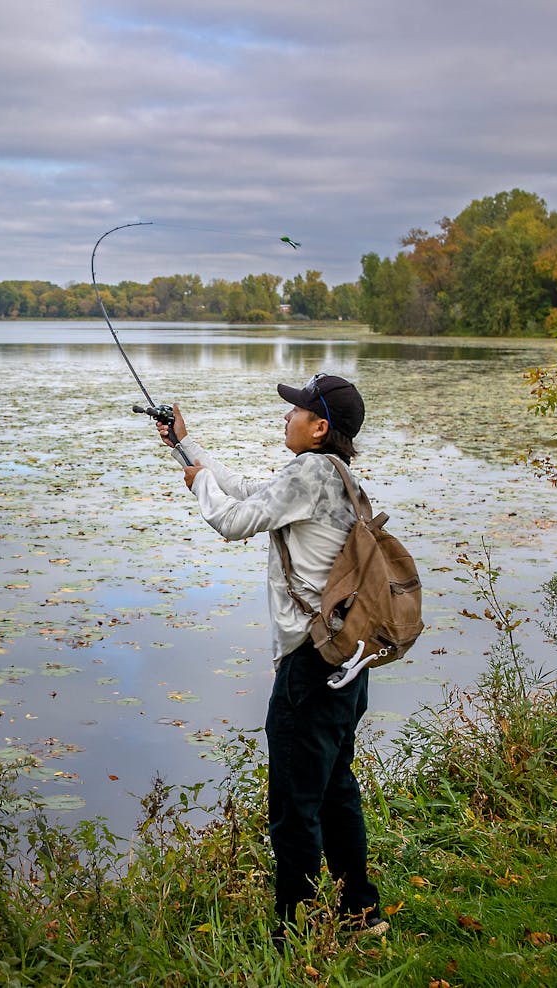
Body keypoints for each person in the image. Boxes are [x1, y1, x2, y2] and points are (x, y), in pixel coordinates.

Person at [154, 372, 387, 944]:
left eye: (297, 412)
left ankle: (299, 936)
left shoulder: (309, 472)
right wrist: (188, 448)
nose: (287, 418)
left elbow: (231, 520)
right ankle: (361, 916)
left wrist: (198, 486)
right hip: (345, 662)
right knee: (335, 792)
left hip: (309, 668)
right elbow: (254, 493)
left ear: (320, 426)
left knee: (293, 805)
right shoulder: (336, 476)